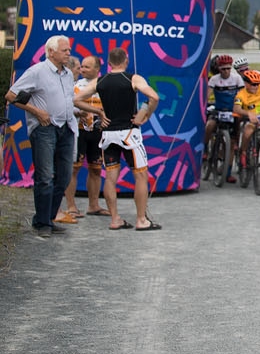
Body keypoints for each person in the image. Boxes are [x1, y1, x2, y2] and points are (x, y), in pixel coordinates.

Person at [6, 35, 86, 235]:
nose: (69, 53)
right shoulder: (37, 71)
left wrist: (78, 113)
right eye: (64, 50)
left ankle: (48, 218)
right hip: (44, 128)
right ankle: (42, 223)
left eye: (69, 50)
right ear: (51, 52)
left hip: (67, 128)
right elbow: (11, 96)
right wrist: (37, 112)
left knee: (64, 177)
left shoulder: (68, 74)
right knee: (45, 176)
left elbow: (66, 100)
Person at [77, 46, 162, 230]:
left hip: (108, 135)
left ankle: (115, 219)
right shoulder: (133, 78)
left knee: (110, 177)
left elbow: (76, 100)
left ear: (108, 63)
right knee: (140, 176)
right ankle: (141, 220)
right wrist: (146, 115)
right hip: (129, 134)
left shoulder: (100, 81)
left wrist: (98, 112)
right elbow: (154, 97)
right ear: (126, 61)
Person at [59, 54, 107, 221]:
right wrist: (79, 113)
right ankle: (71, 206)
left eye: (87, 67)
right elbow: (66, 106)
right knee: (73, 169)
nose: (82, 70)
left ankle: (94, 205)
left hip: (98, 132)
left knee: (96, 169)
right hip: (79, 132)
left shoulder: (104, 86)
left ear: (97, 69)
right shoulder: (75, 86)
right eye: (81, 67)